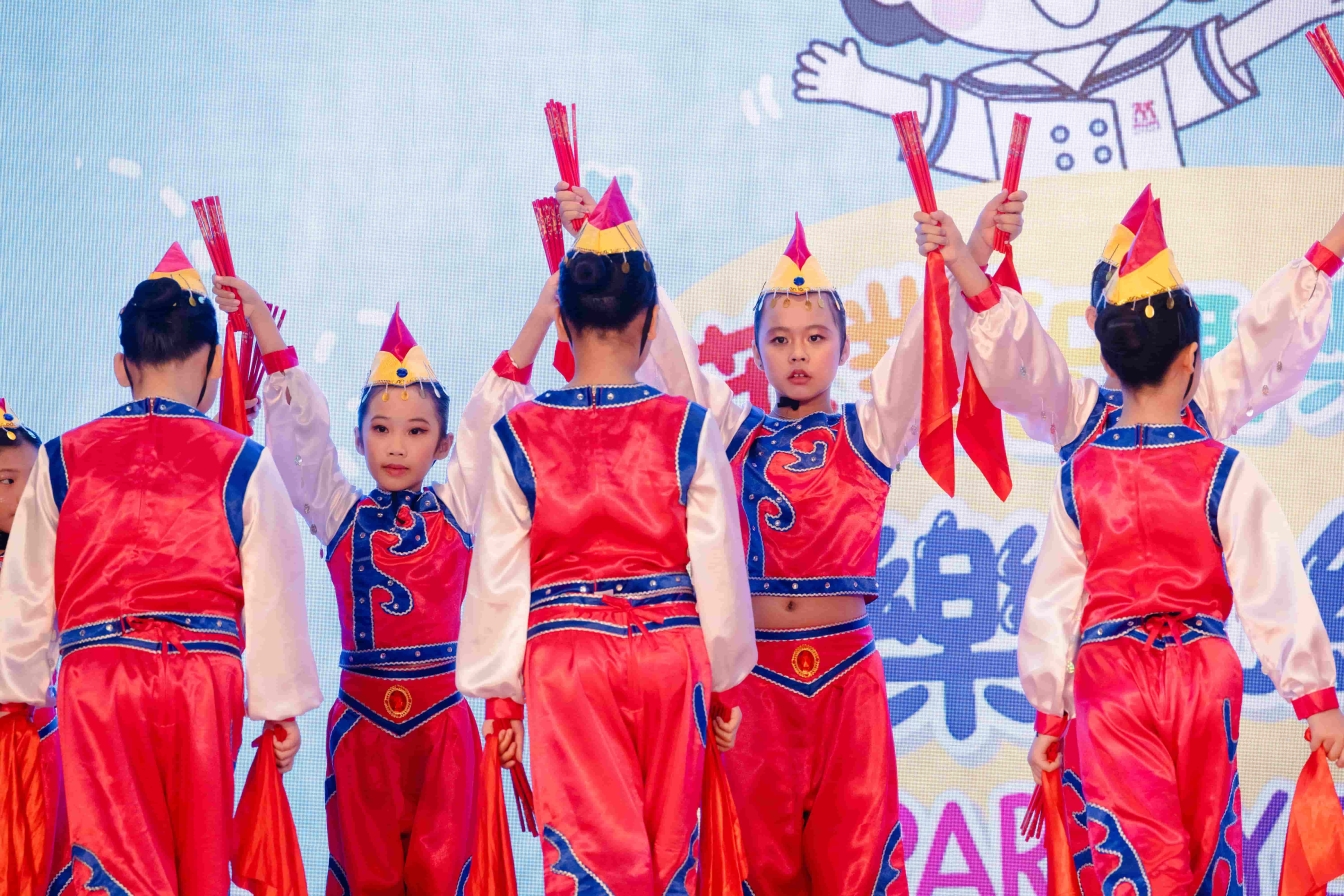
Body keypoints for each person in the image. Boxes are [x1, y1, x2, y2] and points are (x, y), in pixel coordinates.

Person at [552, 182, 1020, 894]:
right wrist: (606, 238)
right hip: (755, 687)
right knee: (752, 865)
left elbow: (932, 341)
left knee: (857, 866)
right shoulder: (728, 430)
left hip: (847, 683)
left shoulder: (871, 430)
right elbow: (669, 352)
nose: (798, 353)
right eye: (779, 339)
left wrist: (972, 249)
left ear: (843, 346)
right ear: (758, 351)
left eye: (815, 337)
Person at [1019, 203, 1344, 893]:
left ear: (1108, 358)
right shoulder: (1221, 467)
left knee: (1139, 860)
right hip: (1202, 671)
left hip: (1110, 676)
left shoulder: (1081, 473)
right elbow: (1272, 584)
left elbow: (1051, 602)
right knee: (1207, 848)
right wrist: (1315, 698)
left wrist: (1049, 713)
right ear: (1193, 357)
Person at [458, 178, 757, 894]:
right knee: (673, 858)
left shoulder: (518, 433)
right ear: (648, 321)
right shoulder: (687, 425)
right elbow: (719, 565)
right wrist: (724, 684)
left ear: (562, 323)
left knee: (592, 862)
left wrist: (502, 700)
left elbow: (499, 578)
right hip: (670, 653)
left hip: (567, 662)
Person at [216, 269, 555, 894]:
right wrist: (259, 319)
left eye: (416, 431)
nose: (396, 446)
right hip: (362, 727)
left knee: (447, 876)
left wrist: (543, 314)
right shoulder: (338, 511)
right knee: (363, 877)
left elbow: (493, 415)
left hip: (443, 724)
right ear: (359, 437)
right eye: (381, 429)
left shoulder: (458, 509)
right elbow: (301, 441)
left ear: (443, 444)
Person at [0, 244, 321, 895]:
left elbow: (26, 595)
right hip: (203, 679)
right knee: (196, 864)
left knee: (114, 862)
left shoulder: (62, 458)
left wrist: (18, 693)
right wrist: (278, 709)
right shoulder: (244, 460)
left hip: (99, 679)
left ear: (122, 365)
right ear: (214, 365)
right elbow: (274, 593)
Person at [0, 399, 69, 886]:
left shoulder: (64, 564)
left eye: (32, 480)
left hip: (39, 747)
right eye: (6, 481)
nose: (22, 495)